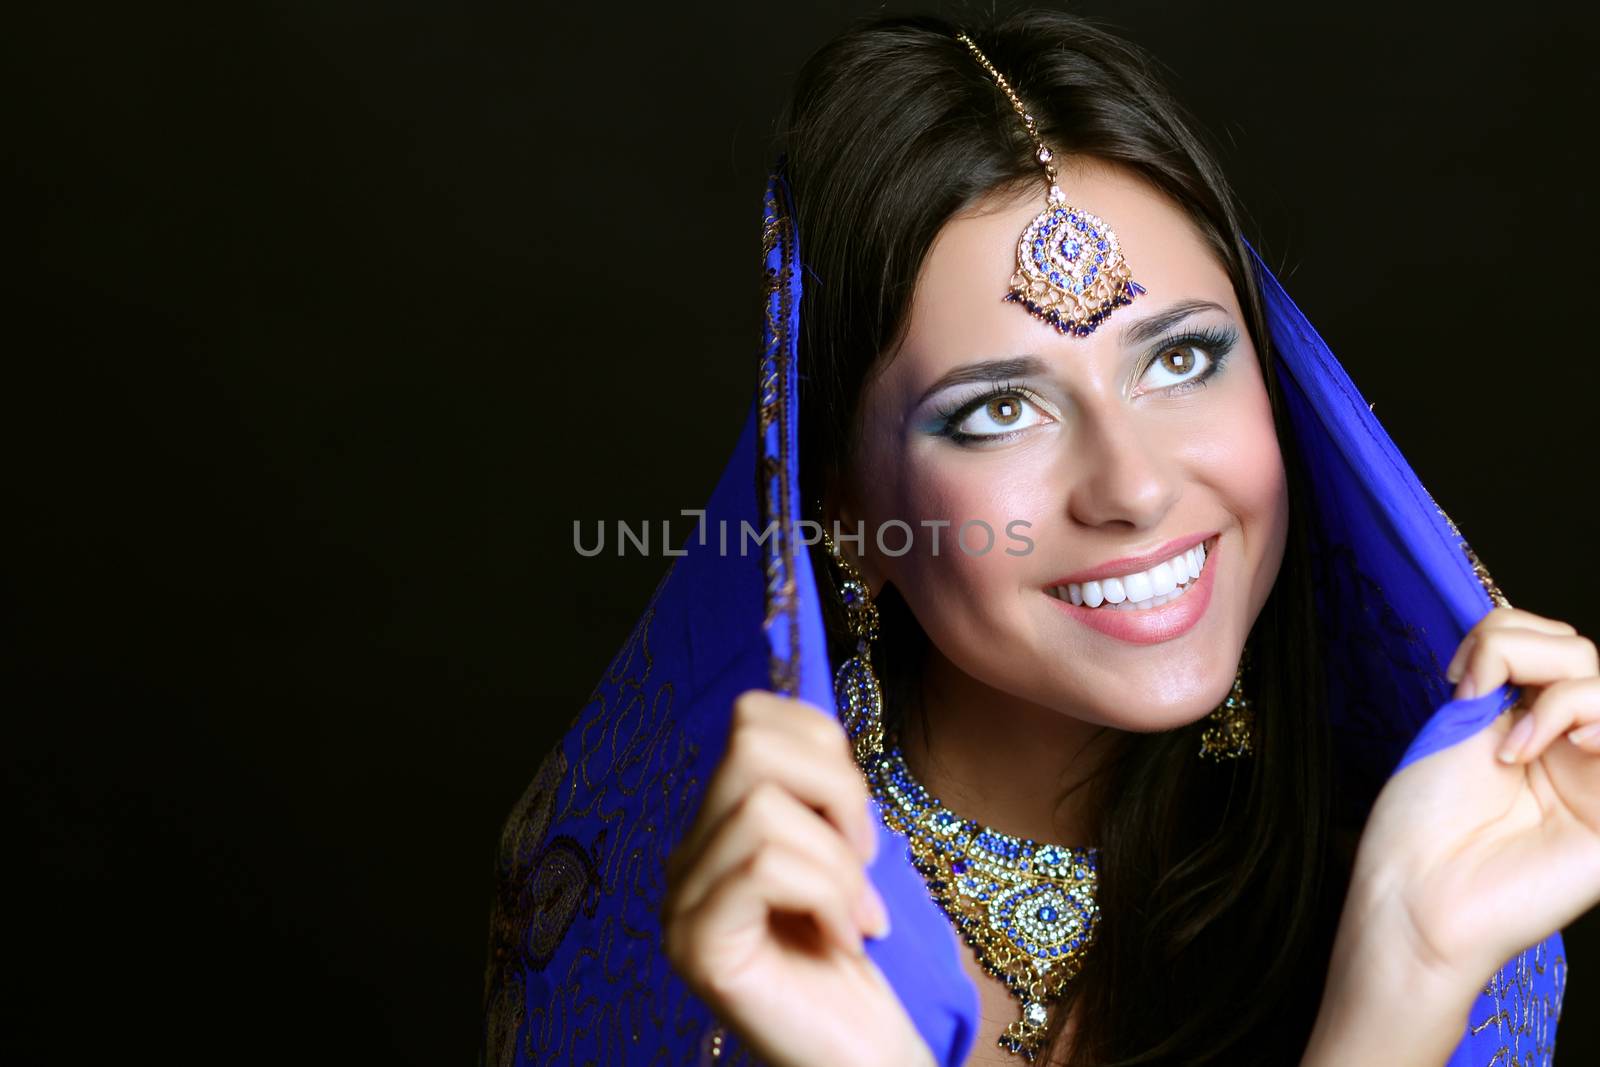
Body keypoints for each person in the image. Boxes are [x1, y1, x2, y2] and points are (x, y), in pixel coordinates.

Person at [482, 11, 1587, 1066]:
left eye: (1181, 358)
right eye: (998, 410)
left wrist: (1411, 962)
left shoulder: (1439, 879)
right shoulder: (712, 922)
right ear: (848, 517)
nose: (1136, 486)